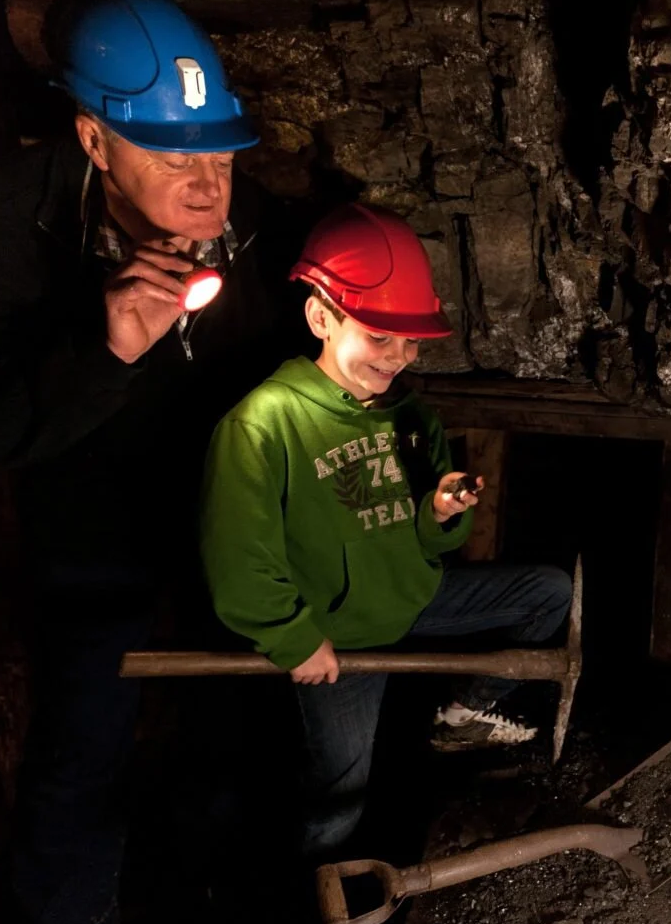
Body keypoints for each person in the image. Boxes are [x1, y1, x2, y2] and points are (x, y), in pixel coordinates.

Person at [0, 0, 299, 924]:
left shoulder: (251, 219)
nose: (208, 186)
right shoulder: (9, 220)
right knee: (82, 743)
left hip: (222, 527)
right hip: (89, 534)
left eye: (220, 152)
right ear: (94, 142)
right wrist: (108, 347)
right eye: (176, 156)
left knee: (234, 728)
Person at [200, 203, 571, 857]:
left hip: (414, 597)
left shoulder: (410, 417)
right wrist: (294, 637)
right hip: (338, 637)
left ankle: (461, 718)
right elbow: (237, 558)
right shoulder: (263, 425)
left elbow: (428, 542)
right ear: (321, 317)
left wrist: (438, 517)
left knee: (548, 593)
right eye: (380, 337)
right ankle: (308, 905)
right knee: (341, 799)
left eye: (411, 341)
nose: (399, 357)